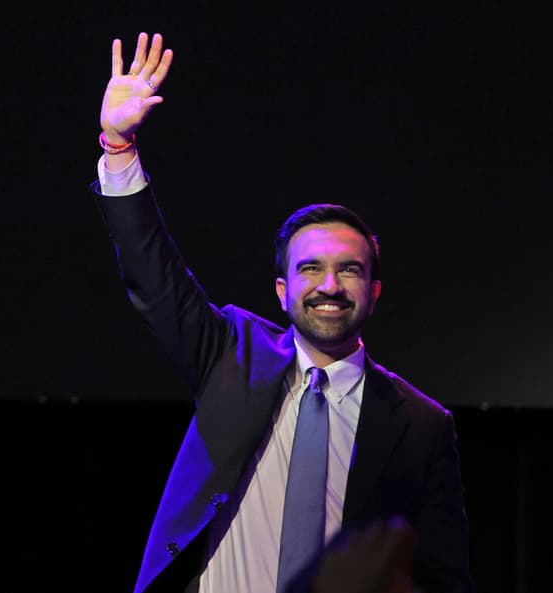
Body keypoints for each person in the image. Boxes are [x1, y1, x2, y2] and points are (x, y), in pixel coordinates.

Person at [90, 32, 473, 593]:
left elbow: (444, 576)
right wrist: (119, 148)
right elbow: (155, 280)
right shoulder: (231, 355)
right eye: (309, 269)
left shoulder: (420, 425)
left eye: (350, 270)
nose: (329, 287)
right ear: (281, 289)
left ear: (374, 290)